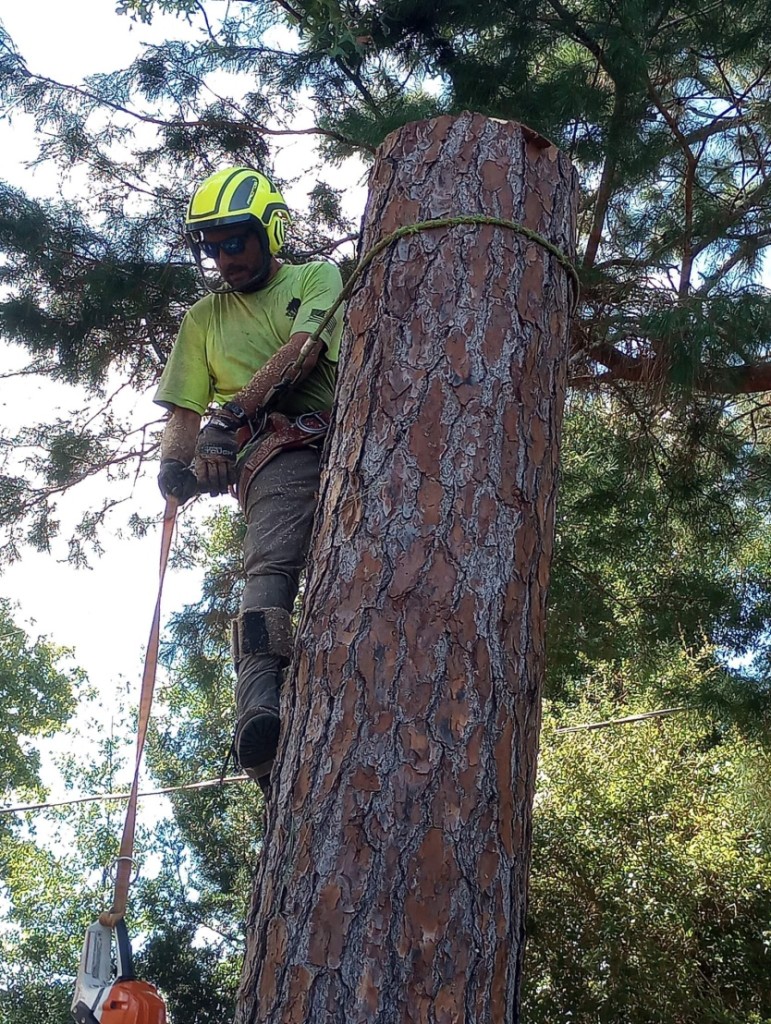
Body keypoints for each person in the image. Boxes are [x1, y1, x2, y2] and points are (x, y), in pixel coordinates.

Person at [154, 166, 344, 791]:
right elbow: (184, 409)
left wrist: (231, 417)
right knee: (271, 567)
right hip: (276, 453)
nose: (222, 257)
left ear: (271, 232)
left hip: (341, 429)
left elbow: (303, 350)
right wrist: (177, 469)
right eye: (211, 246)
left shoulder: (314, 278)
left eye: (234, 240)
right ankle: (259, 714)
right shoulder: (203, 319)